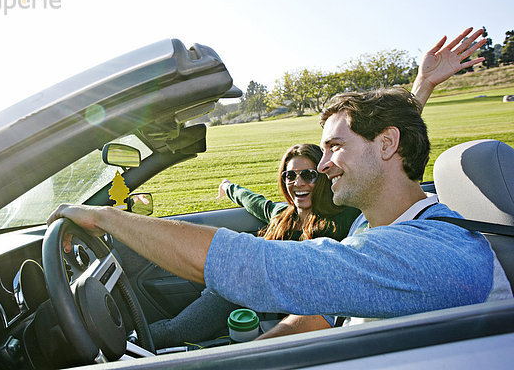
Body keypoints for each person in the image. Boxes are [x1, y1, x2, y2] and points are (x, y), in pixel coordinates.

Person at [47, 27, 511, 339]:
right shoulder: (372, 230)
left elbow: (256, 266)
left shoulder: (435, 253)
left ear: (389, 144)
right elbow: (319, 316)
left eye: (333, 148)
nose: (324, 164)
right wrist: (246, 355)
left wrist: (107, 218)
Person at [149, 144, 361, 348]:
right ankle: (132, 343)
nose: (297, 183)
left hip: (294, 313)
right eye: (290, 176)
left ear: (322, 179)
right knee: (174, 332)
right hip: (239, 292)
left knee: (175, 332)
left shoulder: (341, 219)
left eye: (308, 175)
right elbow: (253, 201)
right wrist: (228, 187)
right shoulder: (281, 214)